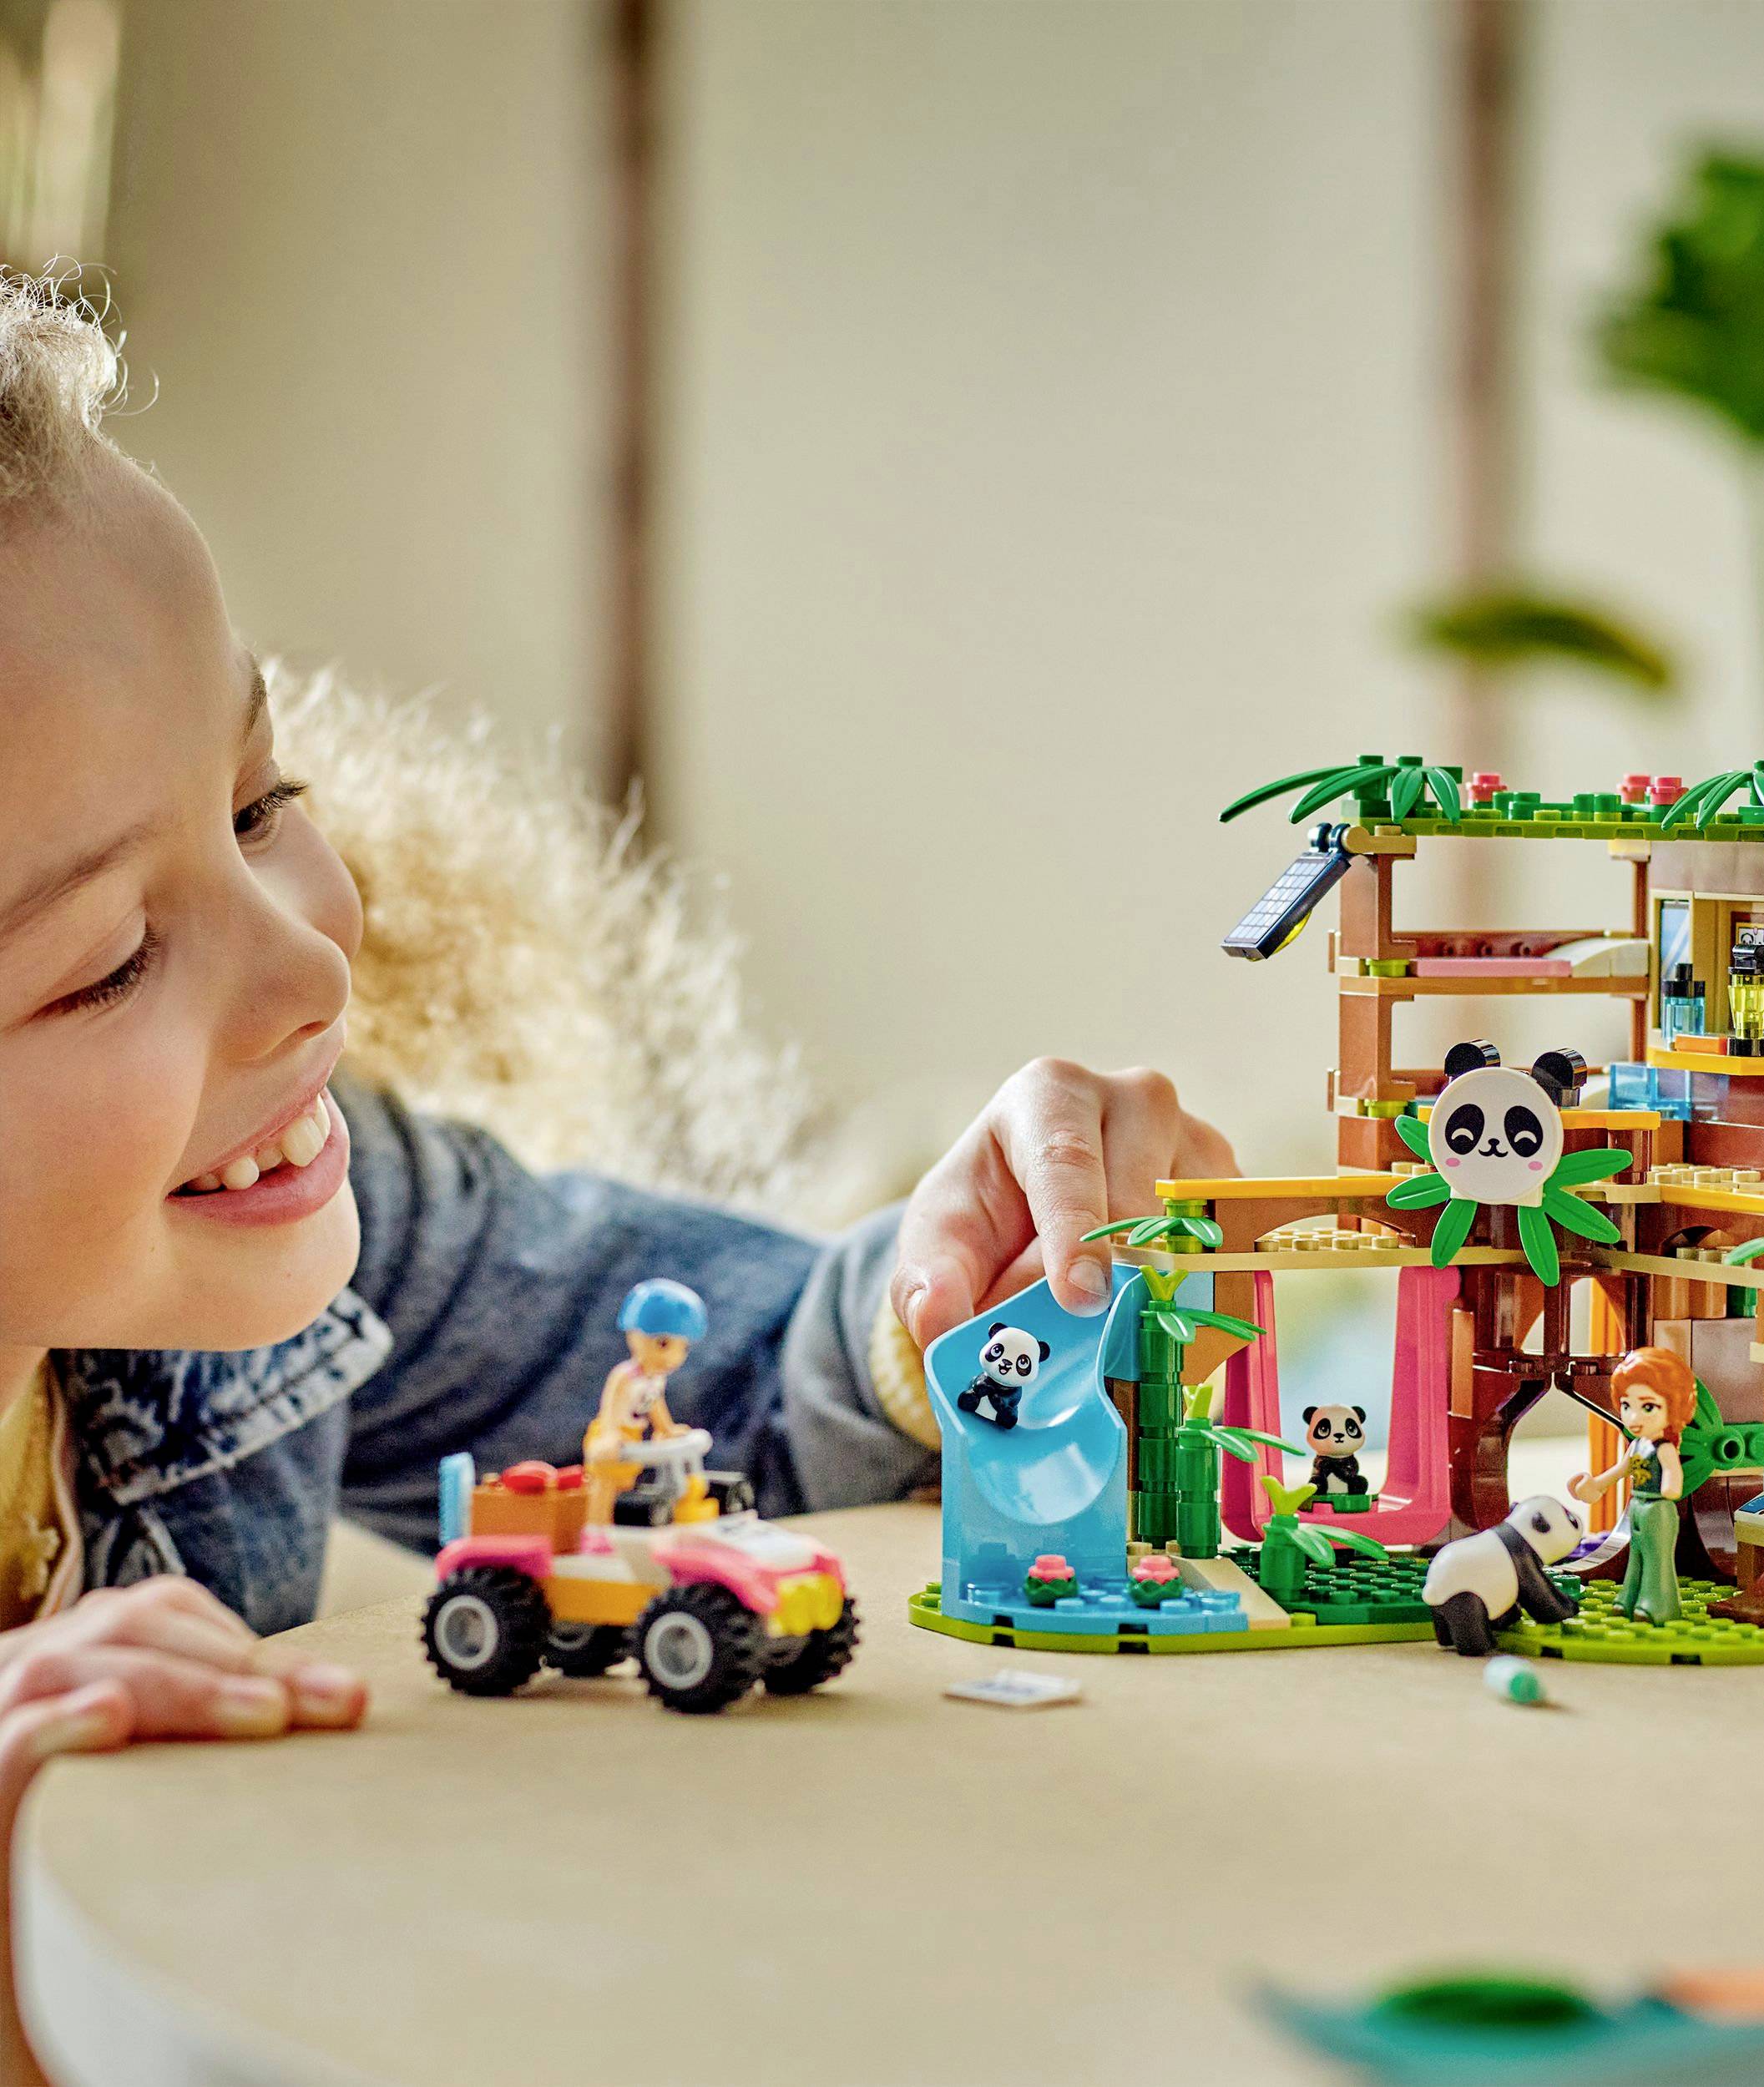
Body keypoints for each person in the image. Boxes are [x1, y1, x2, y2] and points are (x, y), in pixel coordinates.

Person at [0, 272, 1236, 2078]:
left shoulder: (288, 1248)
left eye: (260, 802)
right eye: (110, 956)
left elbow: (721, 1398)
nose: (314, 964)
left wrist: (950, 1289)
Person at [1569, 1347, 1696, 1625]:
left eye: (1648, 1407)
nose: (1634, 1417)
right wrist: (1595, 1486)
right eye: (1627, 1406)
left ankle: (1658, 1606)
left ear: (1673, 1408)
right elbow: (1620, 1470)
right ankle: (1629, 1598)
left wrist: (1671, 1486)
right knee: (1636, 1556)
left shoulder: (1664, 1447)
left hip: (1657, 1509)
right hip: (1637, 1506)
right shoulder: (1638, 1445)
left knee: (1657, 1559)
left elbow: (1673, 1474)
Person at [583, 1280, 705, 1529]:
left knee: (626, 1484)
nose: (673, 1358)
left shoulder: (654, 1379)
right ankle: (595, 1530)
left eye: (684, 1348)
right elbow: (611, 1408)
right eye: (663, 1344)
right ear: (634, 1336)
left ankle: (618, 1528)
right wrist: (609, 1435)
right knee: (605, 1484)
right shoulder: (625, 1376)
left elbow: (654, 1405)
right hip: (611, 1434)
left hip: (634, 1436)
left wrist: (666, 1429)